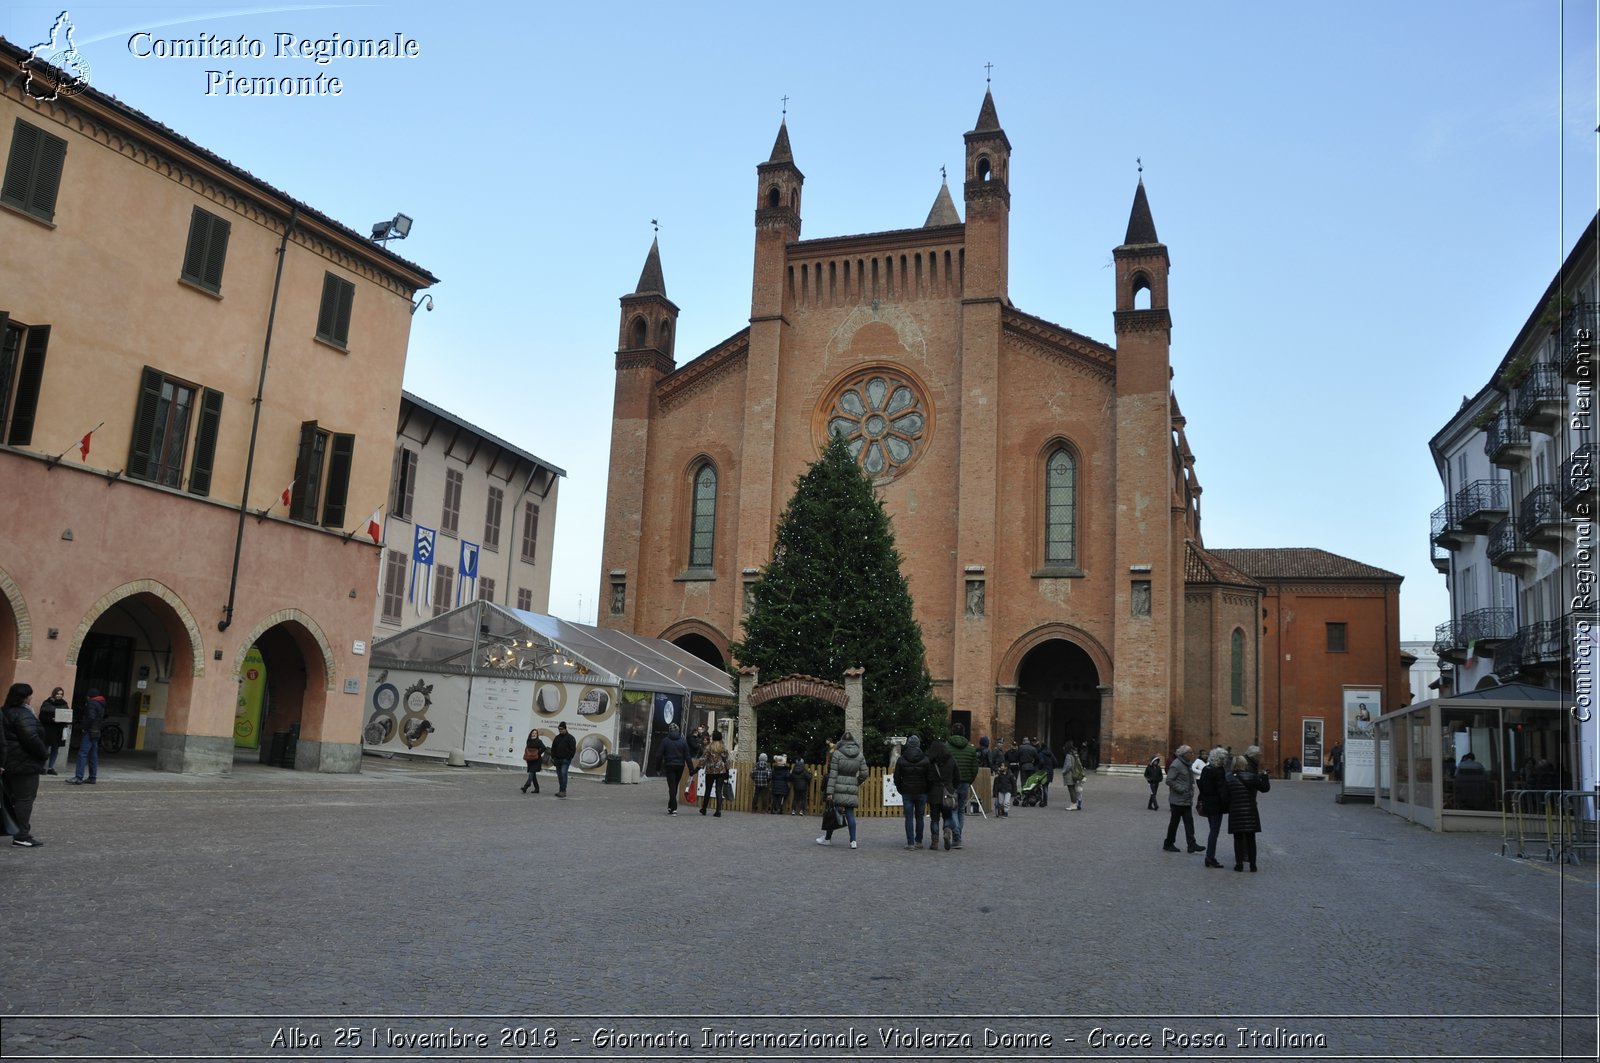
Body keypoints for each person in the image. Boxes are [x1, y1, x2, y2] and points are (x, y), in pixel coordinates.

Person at [2, 683, 48, 847]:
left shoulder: (4, 711)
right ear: (24, 697)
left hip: (7, 762)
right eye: (29, 695)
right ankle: (21, 835)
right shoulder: (23, 714)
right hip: (24, 763)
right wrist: (43, 754)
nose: (31, 698)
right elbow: (31, 738)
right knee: (25, 799)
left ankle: (15, 830)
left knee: (9, 798)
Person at [818, 732, 868, 849]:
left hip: (837, 787)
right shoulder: (860, 755)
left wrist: (829, 792)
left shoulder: (837, 754)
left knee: (832, 812)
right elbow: (864, 773)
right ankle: (853, 841)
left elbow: (833, 774)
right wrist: (857, 782)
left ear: (842, 741)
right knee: (850, 814)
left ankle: (827, 839)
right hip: (851, 787)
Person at [1226, 753, 1270, 871]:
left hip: (1235, 811)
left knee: (1238, 838)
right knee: (1251, 838)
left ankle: (1239, 864)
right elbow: (1265, 789)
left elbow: (1225, 796)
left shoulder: (1228, 777)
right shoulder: (1252, 776)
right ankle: (1253, 865)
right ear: (1244, 764)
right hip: (1250, 810)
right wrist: (1265, 776)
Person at [893, 735, 930, 850]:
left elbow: (897, 777)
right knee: (920, 817)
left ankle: (910, 843)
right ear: (918, 745)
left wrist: (901, 789)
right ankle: (918, 841)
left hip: (907, 791)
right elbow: (929, 777)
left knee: (908, 817)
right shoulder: (925, 759)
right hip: (921, 791)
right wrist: (927, 789)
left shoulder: (902, 759)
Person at [1163, 745, 1203, 853]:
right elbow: (1169, 780)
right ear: (1184, 754)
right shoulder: (1176, 765)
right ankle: (1168, 843)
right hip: (1177, 800)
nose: (1192, 755)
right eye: (1190, 753)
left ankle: (1191, 844)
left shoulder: (1186, 764)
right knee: (1174, 823)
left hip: (1186, 799)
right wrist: (1181, 789)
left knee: (1189, 822)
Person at [1197, 747, 1230, 868]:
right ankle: (1210, 857)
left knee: (1212, 829)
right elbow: (1222, 789)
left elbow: (1201, 785)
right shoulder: (1219, 771)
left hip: (1207, 803)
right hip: (1216, 805)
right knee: (1214, 831)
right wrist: (1228, 802)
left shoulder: (1206, 769)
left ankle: (1210, 856)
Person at [926, 738, 961, 850]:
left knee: (934, 818)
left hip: (934, 792)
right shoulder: (951, 760)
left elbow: (927, 778)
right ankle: (947, 831)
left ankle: (935, 842)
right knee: (947, 815)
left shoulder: (930, 762)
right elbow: (957, 776)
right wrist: (952, 788)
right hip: (948, 792)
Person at [945, 729, 979, 845]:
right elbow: (975, 768)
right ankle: (957, 837)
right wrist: (969, 781)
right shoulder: (971, 748)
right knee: (960, 810)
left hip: (951, 783)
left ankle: (956, 835)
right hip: (965, 782)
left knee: (953, 809)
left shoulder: (946, 747)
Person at [71, 688, 106, 785]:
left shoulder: (91, 703)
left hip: (90, 731)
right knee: (93, 755)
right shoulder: (101, 703)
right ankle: (92, 777)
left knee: (82, 753)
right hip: (96, 731)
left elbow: (90, 717)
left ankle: (78, 777)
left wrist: (84, 727)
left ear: (88, 696)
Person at [655, 723, 691, 814]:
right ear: (678, 730)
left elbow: (659, 755)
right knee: (675, 785)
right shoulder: (683, 741)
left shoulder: (665, 741)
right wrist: (691, 769)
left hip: (669, 765)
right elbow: (687, 756)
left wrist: (658, 768)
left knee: (672, 786)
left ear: (669, 731)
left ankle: (673, 807)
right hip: (680, 766)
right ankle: (671, 806)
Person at [38, 686, 68, 776]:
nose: (59, 696)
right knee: (45, 749)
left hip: (58, 730)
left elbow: (67, 717)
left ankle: (51, 768)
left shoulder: (64, 704)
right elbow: (41, 717)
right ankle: (42, 767)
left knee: (55, 749)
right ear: (54, 694)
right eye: (58, 694)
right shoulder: (47, 703)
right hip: (48, 729)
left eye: (61, 694)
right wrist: (52, 719)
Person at [699, 730, 730, 817]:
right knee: (719, 790)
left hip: (710, 771)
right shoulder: (723, 747)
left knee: (708, 790)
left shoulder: (709, 747)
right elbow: (727, 759)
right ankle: (718, 811)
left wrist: (698, 768)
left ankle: (704, 809)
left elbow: (703, 759)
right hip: (721, 771)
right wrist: (728, 770)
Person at [550, 722, 576, 797]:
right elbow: (553, 748)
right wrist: (553, 757)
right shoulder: (557, 738)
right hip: (557, 759)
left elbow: (573, 749)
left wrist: (569, 757)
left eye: (561, 729)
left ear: (565, 728)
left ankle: (563, 790)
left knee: (563, 773)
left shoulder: (570, 738)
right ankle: (561, 790)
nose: (560, 730)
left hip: (565, 760)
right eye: (559, 729)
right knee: (560, 775)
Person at [520, 728, 546, 793]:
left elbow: (544, 748)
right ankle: (537, 789)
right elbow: (527, 748)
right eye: (533, 733)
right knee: (533, 774)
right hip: (530, 759)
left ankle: (526, 786)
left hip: (536, 760)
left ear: (537, 735)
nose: (534, 734)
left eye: (535, 733)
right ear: (531, 733)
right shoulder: (528, 740)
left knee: (531, 772)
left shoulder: (539, 741)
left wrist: (537, 753)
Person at [1036, 742, 1058, 807]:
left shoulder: (1041, 754)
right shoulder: (1051, 753)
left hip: (1044, 772)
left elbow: (1041, 762)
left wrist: (1039, 768)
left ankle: (1044, 801)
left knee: (1044, 786)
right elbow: (1056, 763)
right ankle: (1045, 801)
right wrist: (1051, 768)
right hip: (1050, 772)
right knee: (1046, 786)